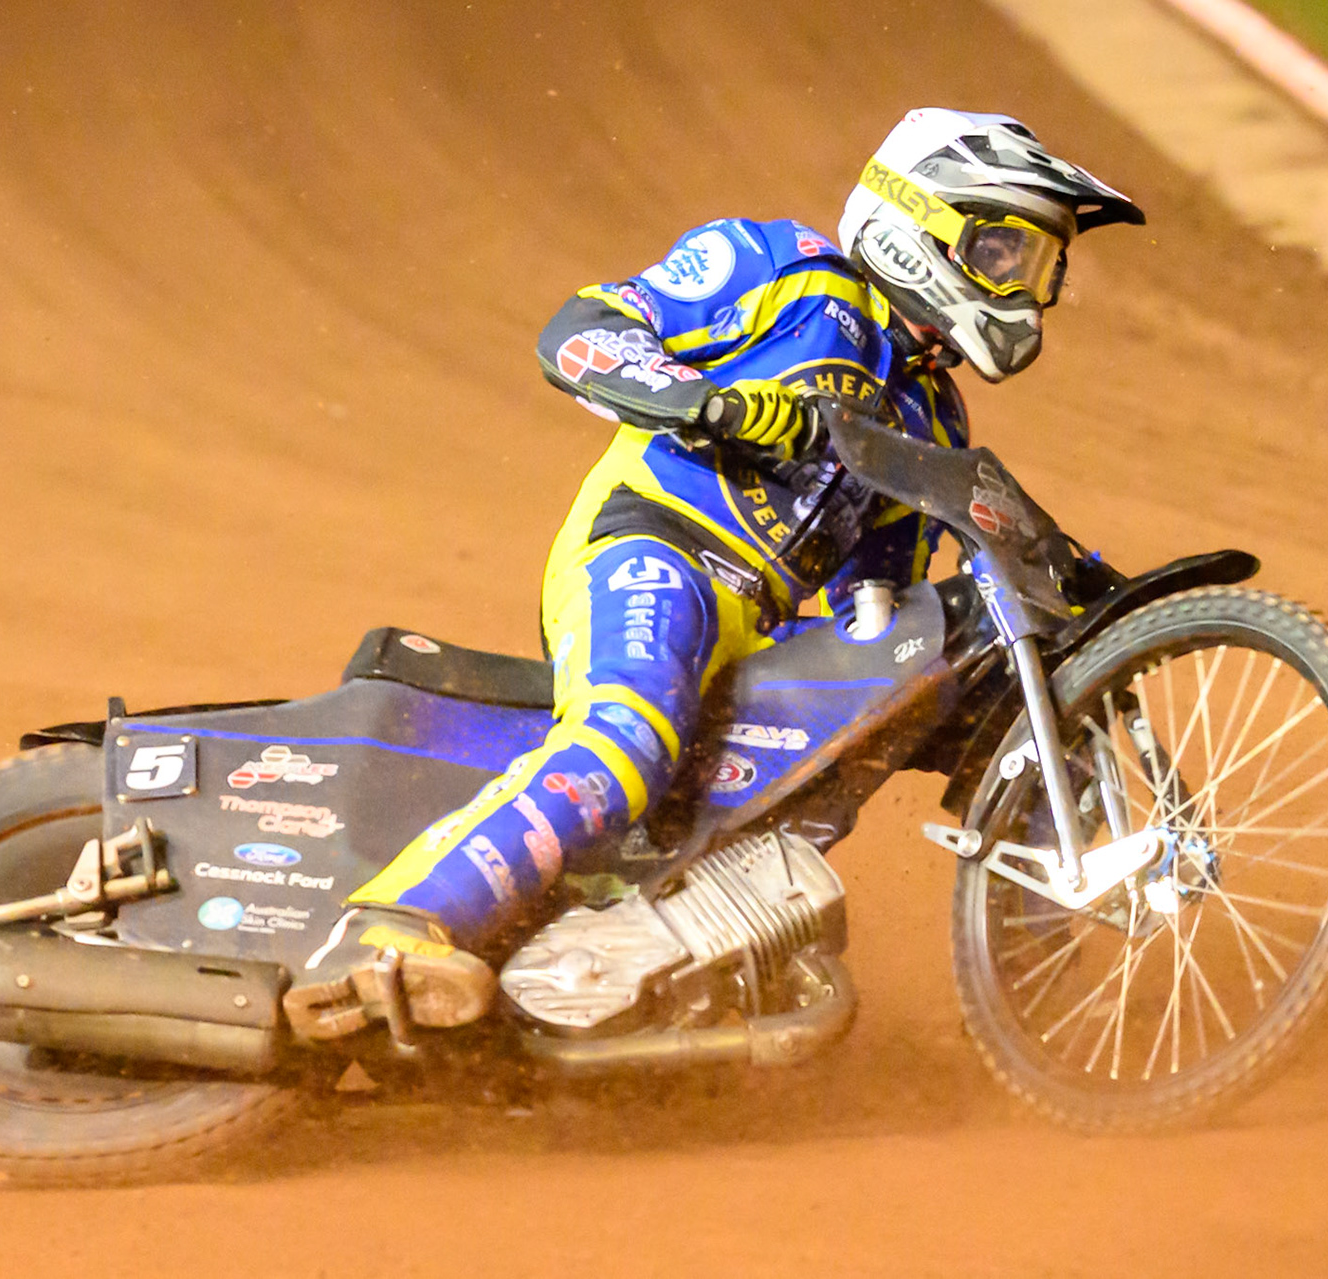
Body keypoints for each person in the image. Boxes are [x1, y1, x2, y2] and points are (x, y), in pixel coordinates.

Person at [282, 107, 1145, 1040]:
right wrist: (715, 405)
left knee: (810, 773)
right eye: (1007, 253)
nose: (1027, 287)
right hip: (654, 545)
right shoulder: (784, 265)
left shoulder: (933, 420)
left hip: (758, 619)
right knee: (631, 736)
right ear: (926, 226)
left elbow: (878, 601)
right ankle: (400, 930)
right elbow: (584, 332)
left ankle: (1040, 992)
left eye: (1041, 269)